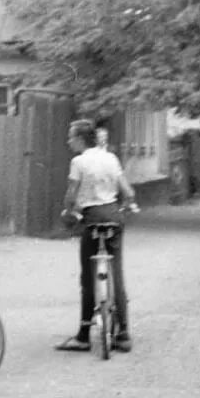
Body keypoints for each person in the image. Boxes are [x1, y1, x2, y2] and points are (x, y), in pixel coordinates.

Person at [56, 119, 140, 354]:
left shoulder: (78, 162)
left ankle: (83, 336)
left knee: (87, 277)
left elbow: (71, 195)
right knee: (118, 274)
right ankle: (123, 335)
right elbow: (128, 192)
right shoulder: (110, 158)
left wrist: (69, 211)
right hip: (113, 216)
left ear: (81, 139)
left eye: (71, 136)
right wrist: (125, 206)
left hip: (91, 218)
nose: (68, 141)